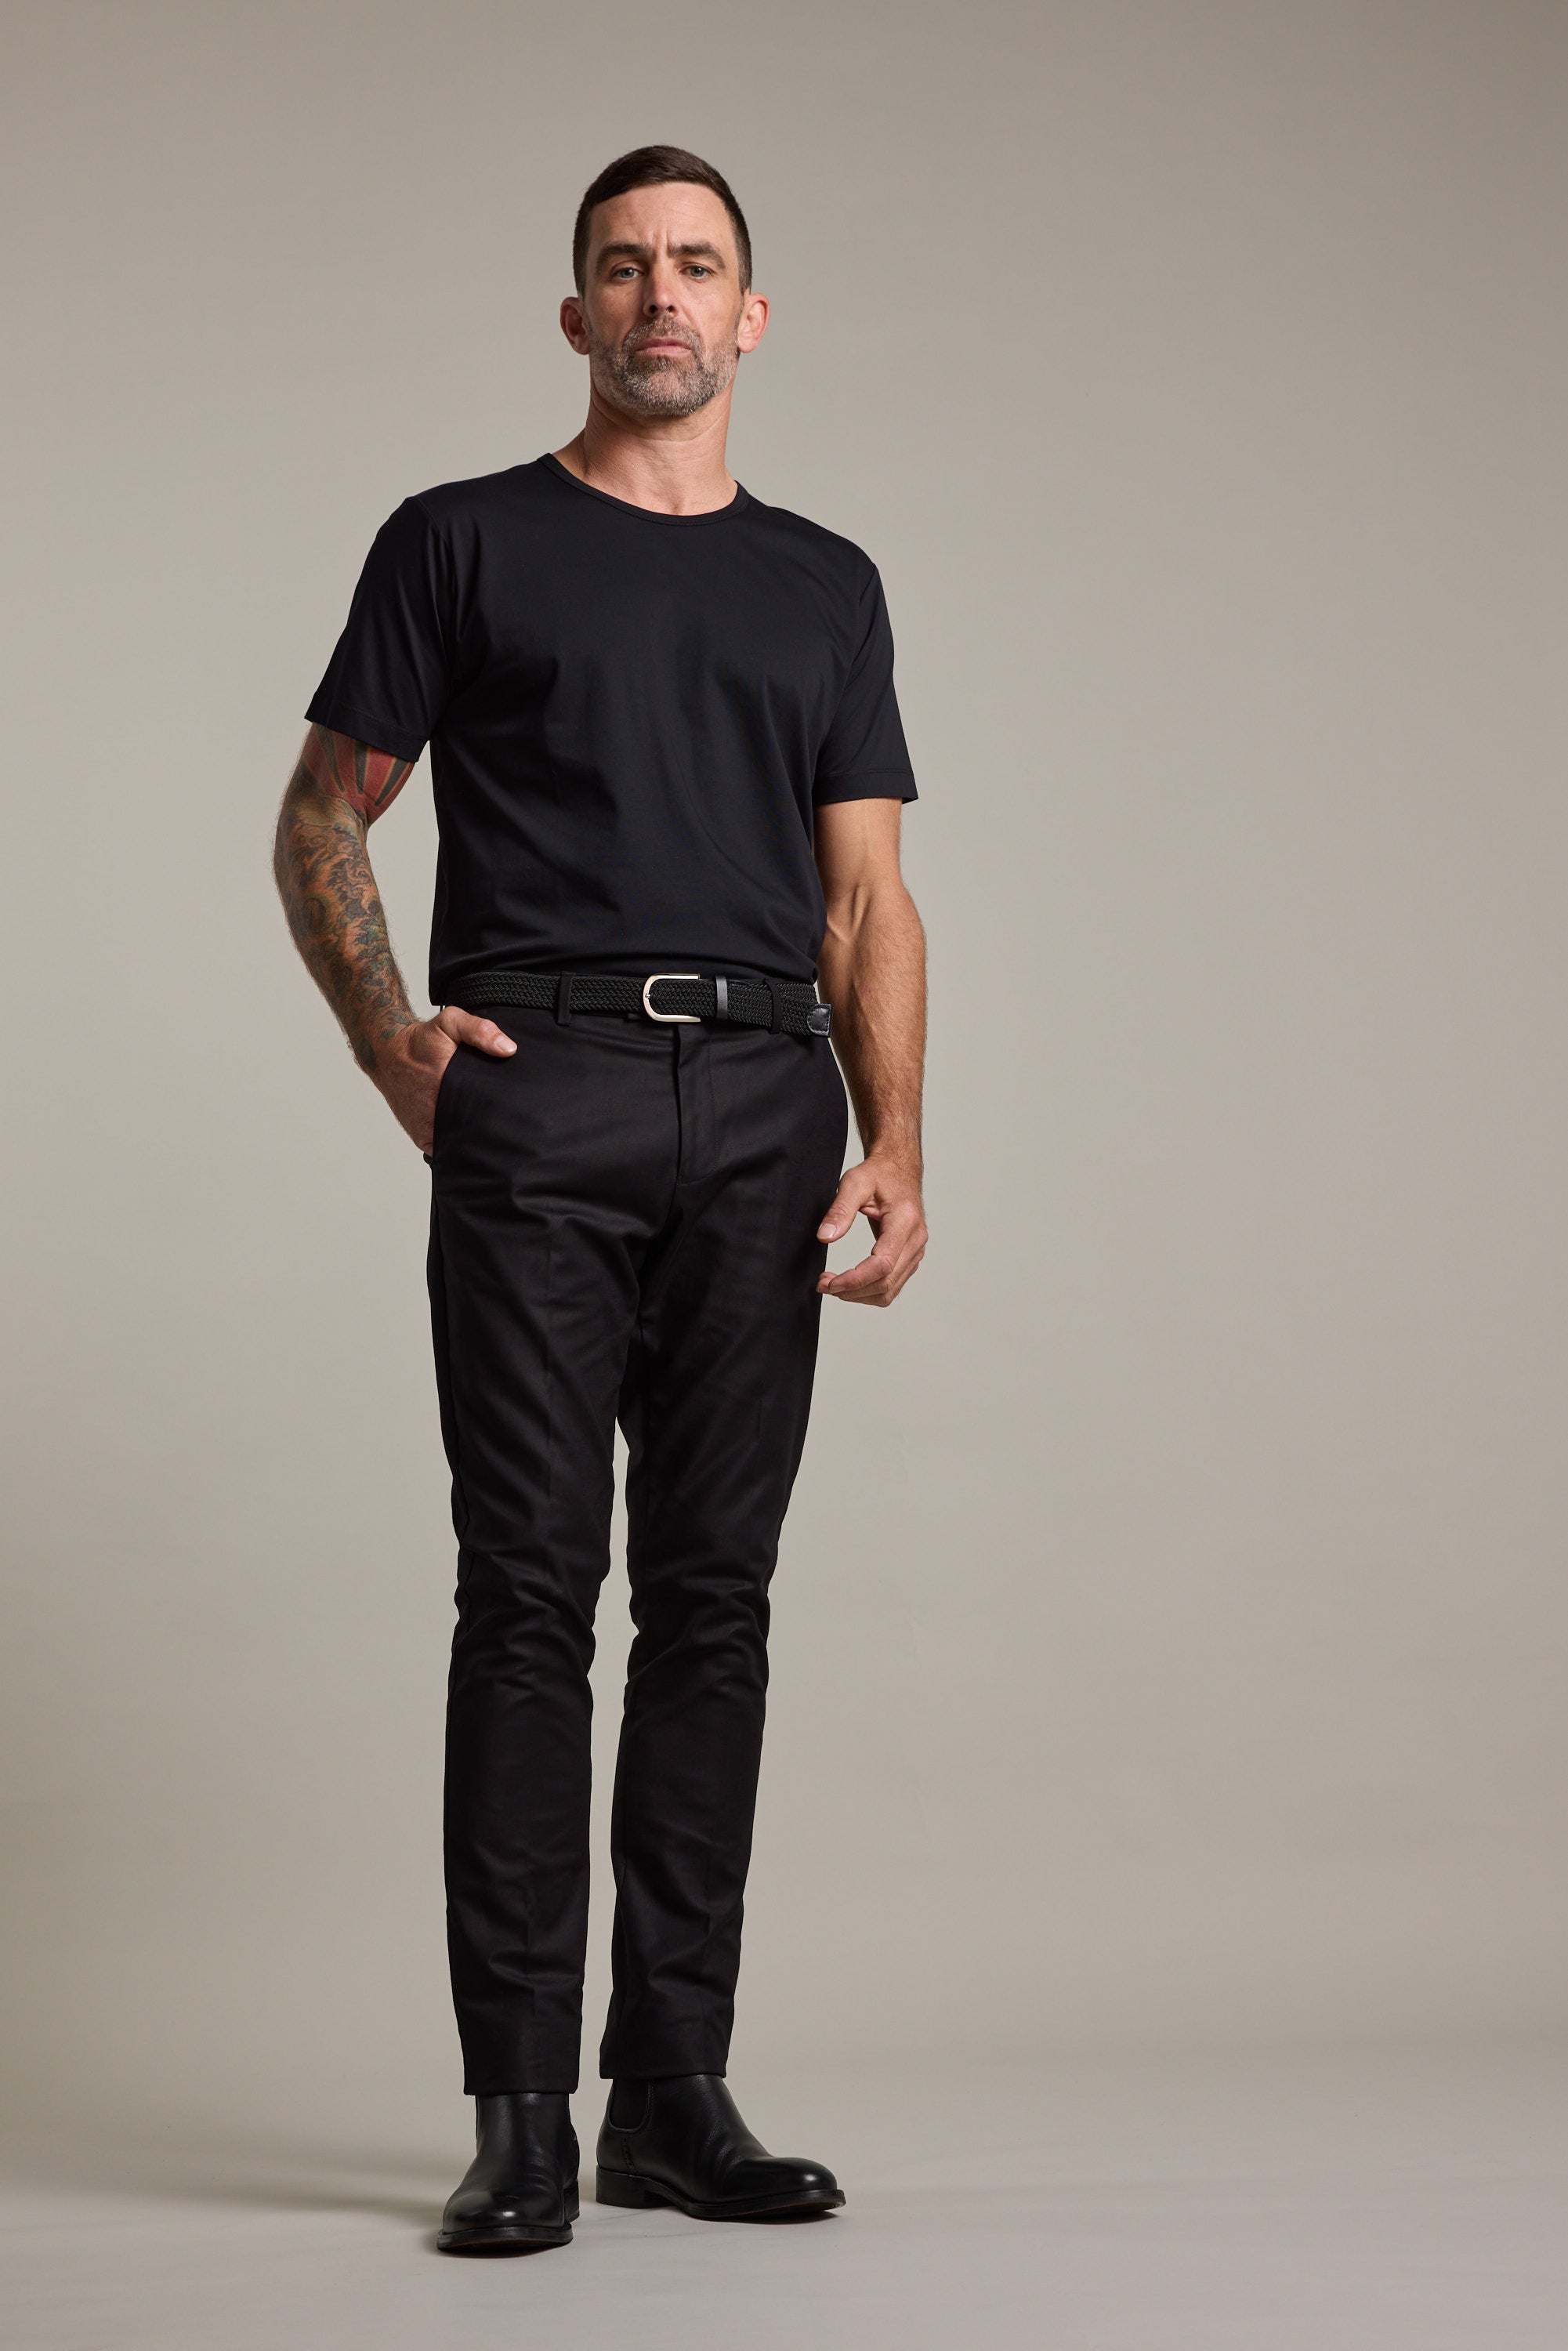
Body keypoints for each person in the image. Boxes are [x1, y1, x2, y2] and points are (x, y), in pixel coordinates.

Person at [274, 144, 927, 2253]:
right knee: (530, 1602)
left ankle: (672, 2088)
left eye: (698, 267)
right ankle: (517, 2112)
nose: (659, 297)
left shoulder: (822, 583)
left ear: (752, 318)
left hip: (758, 1099)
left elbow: (864, 896)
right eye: (621, 267)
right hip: (537, 1097)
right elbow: (320, 818)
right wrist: (395, 1042)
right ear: (574, 315)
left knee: (716, 1609)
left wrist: (897, 1138)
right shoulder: (460, 544)